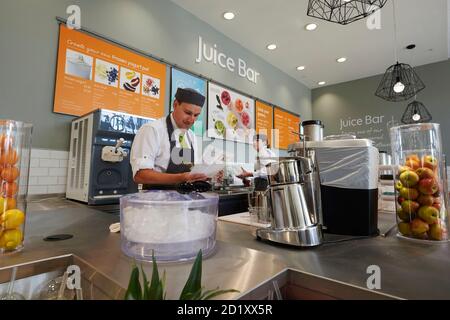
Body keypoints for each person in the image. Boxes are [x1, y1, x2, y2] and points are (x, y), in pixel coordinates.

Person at [130, 88, 208, 189]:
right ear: (175, 104)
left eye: (196, 115)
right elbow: (140, 175)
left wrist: (206, 175)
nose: (191, 120)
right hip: (157, 201)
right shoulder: (152, 130)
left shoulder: (191, 136)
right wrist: (181, 178)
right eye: (188, 113)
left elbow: (191, 169)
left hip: (184, 201)